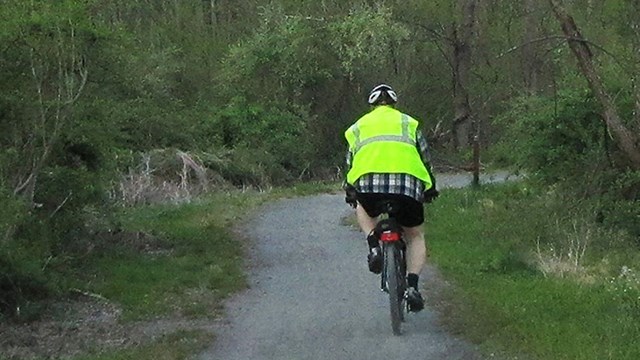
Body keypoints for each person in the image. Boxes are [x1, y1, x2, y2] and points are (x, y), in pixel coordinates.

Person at [343, 84, 439, 312]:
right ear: (394, 104)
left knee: (363, 207)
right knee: (415, 236)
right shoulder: (409, 123)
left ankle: (374, 245)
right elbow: (425, 158)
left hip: (368, 183)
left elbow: (350, 161)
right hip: (408, 185)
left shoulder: (358, 126)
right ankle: (413, 287)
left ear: (372, 106)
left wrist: (349, 188)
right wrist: (430, 187)